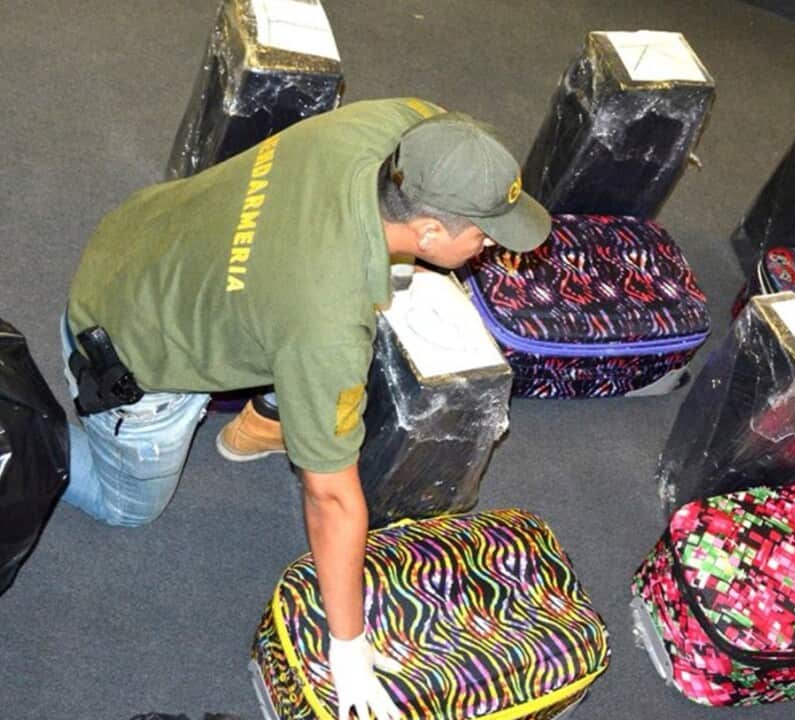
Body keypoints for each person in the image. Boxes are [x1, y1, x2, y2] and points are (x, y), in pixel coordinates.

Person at [62, 98, 550, 720]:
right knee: (126, 507)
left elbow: (454, 143)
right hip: (123, 348)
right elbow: (332, 499)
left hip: (144, 232)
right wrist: (347, 650)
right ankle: (30, 436)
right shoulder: (327, 322)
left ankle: (266, 419)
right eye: (485, 234)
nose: (493, 245)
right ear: (428, 230)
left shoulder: (396, 124)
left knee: (320, 365)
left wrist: (483, 225)